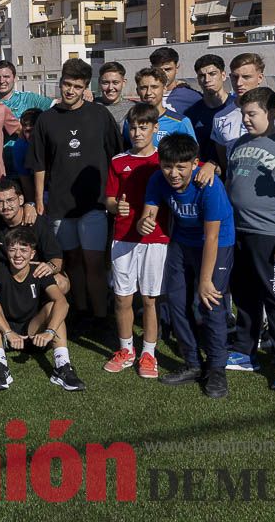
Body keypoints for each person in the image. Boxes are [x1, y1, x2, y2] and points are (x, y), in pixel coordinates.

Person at [138, 133, 236, 399]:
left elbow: (212, 237)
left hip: (217, 243)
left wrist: (205, 281)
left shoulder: (209, 185)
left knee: (210, 303)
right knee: (176, 301)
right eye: (167, 166)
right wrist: (143, 223)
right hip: (182, 242)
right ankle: (193, 363)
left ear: (194, 163)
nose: (173, 174)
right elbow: (148, 213)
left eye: (181, 167)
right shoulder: (157, 179)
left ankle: (216, 369)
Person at [28, 58, 122, 330]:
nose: (70, 91)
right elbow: (39, 164)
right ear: (60, 83)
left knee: (95, 262)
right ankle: (80, 310)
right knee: (72, 261)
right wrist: (39, 200)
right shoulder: (46, 119)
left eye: (77, 86)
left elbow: (115, 158)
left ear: (86, 88)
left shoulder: (100, 115)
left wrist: (114, 195)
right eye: (66, 84)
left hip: (95, 203)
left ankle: (101, 314)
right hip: (60, 205)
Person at [224, 88, 275, 391]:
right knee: (244, 294)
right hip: (238, 233)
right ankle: (245, 350)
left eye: (251, 114)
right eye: (243, 114)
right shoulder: (239, 144)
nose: (245, 119)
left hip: (269, 235)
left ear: (270, 113)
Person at [103, 103, 169, 379]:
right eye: (133, 128)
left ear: (155, 128)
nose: (137, 133)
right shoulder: (118, 161)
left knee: (150, 299)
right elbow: (108, 200)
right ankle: (126, 349)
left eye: (143, 127)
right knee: (122, 298)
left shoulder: (163, 160)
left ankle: (149, 353)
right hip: (123, 238)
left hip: (156, 239)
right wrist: (115, 207)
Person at [0, 227, 84, 392]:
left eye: (23, 250)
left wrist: (49, 331)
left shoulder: (39, 271)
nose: (18, 255)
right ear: (6, 251)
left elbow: (63, 303)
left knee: (54, 306)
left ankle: (62, 366)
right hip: (4, 333)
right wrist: (8, 332)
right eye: (12, 249)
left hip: (33, 333)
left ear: (32, 253)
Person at [0, 59, 52, 175]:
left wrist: (83, 95)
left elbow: (57, 105)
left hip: (25, 166)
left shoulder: (28, 98)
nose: (2, 81)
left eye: (6, 76)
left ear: (15, 78)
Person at [185, 55, 233, 178]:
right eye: (202, 75)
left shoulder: (237, 108)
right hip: (202, 176)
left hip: (234, 175)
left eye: (212, 74)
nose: (207, 79)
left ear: (223, 75)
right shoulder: (191, 113)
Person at [126, 67, 196, 147]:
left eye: (154, 87)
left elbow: (192, 153)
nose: (148, 92)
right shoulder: (129, 121)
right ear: (137, 91)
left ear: (164, 89)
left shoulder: (180, 122)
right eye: (143, 88)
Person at [150, 47, 202, 117]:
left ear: (177, 68)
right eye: (158, 70)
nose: (163, 74)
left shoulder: (191, 97)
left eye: (167, 69)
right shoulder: (146, 95)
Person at [10, 109, 40, 201]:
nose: (31, 135)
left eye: (33, 130)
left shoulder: (55, 141)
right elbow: (26, 182)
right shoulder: (20, 148)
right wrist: (32, 203)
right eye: (27, 131)